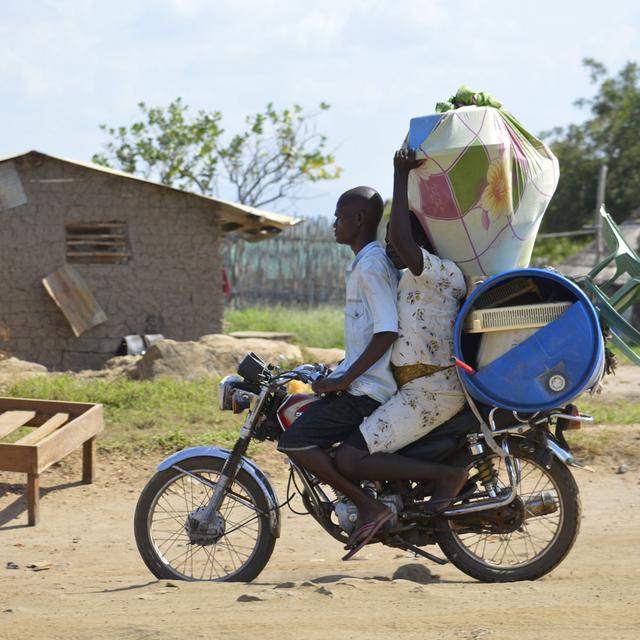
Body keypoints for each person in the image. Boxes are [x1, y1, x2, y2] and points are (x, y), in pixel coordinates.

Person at [334, 148, 469, 515]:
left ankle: (446, 478)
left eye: (398, 241)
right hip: (411, 388)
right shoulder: (407, 278)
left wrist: (401, 174)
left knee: (349, 458)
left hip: (431, 391)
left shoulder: (440, 274)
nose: (390, 248)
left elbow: (402, 242)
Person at [277, 186, 400, 554]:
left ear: (359, 220)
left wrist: (346, 379)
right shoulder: (364, 263)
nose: (334, 223)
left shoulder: (371, 266)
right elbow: (367, 335)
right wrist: (334, 370)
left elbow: (387, 330)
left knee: (295, 441)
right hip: (358, 383)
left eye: (340, 216)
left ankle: (368, 506)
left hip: (367, 392)